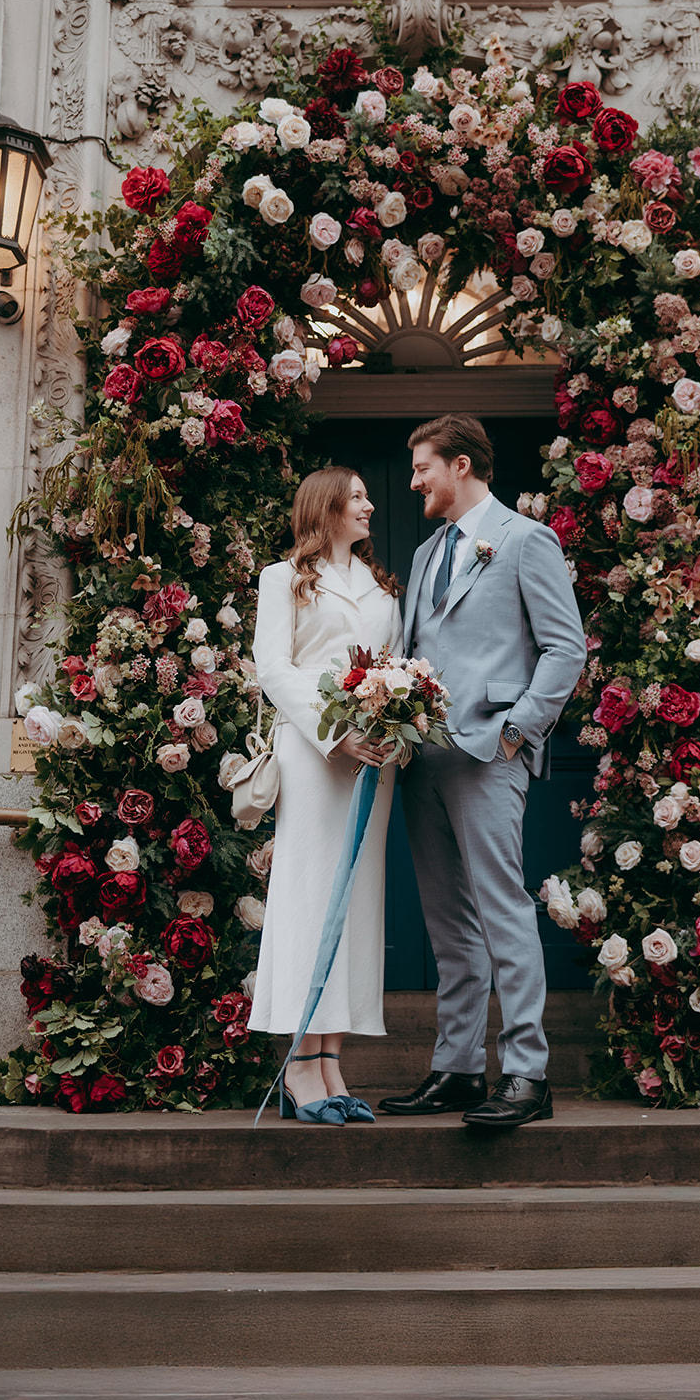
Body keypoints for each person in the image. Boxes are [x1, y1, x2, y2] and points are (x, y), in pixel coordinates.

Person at [380, 415, 587, 1128]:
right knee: (448, 926)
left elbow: (566, 651)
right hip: (423, 762)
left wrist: (514, 734)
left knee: (502, 912)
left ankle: (528, 1074)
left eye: (422, 468)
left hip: (487, 759)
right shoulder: (428, 550)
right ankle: (460, 1069)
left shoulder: (528, 541)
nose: (413, 483)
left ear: (461, 465)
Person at [250, 466, 402, 1123]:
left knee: (357, 901)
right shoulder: (281, 579)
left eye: (369, 494)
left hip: (374, 757)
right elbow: (273, 667)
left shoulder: (380, 584)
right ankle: (299, 1065)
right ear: (325, 505)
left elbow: (394, 666)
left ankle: (331, 1059)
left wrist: (396, 724)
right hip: (315, 754)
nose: (369, 503)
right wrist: (331, 735)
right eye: (358, 494)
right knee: (311, 899)